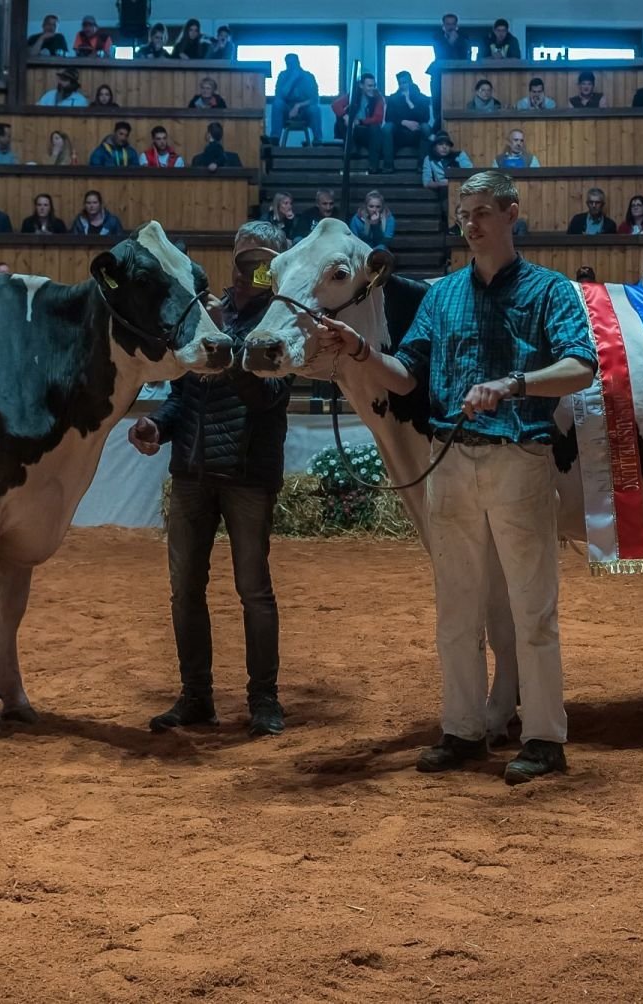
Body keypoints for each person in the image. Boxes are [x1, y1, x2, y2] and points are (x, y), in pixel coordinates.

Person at [306, 170, 596, 784]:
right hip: (451, 460)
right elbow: (406, 375)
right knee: (457, 608)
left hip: (520, 456)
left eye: (483, 212)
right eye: (464, 214)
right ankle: (463, 729)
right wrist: (359, 350)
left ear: (512, 214)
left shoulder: (550, 290)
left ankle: (544, 736)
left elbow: (580, 367)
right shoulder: (442, 296)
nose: (470, 224)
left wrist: (513, 384)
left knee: (531, 608)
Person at [132, 222, 293, 738]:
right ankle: (196, 696)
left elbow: (267, 398)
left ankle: (264, 700)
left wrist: (228, 348)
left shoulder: (283, 324)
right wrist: (158, 424)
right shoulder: (207, 315)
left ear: (275, 268)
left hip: (248, 476)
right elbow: (183, 394)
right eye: (245, 258)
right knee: (185, 590)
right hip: (192, 471)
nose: (249, 271)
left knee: (254, 591)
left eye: (261, 262)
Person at [333, 73, 392, 174]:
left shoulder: (378, 98)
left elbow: (377, 118)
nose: (372, 88)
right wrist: (346, 117)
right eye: (369, 86)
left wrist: (360, 121)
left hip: (368, 131)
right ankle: (351, 149)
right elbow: (335, 105)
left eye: (374, 85)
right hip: (352, 130)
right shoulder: (353, 96)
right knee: (341, 118)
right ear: (361, 86)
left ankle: (373, 166)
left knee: (375, 128)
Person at [389, 73, 434, 155]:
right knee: (388, 127)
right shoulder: (393, 98)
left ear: (410, 82)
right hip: (400, 131)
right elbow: (389, 117)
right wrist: (404, 122)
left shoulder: (422, 98)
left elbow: (425, 118)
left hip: (417, 130)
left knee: (426, 127)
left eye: (404, 82)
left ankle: (423, 162)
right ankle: (388, 163)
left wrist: (409, 102)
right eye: (400, 83)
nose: (402, 86)